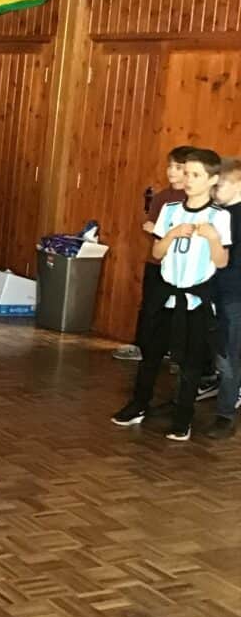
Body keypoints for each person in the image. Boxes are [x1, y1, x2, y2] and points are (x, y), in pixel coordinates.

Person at [111, 148, 232, 442]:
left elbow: (221, 262)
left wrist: (213, 240)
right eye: (186, 173)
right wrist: (170, 235)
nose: (188, 180)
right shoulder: (171, 210)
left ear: (211, 180)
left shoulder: (219, 217)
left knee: (191, 361)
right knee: (151, 354)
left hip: (195, 299)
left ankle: (183, 418)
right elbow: (157, 252)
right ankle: (138, 404)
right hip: (166, 294)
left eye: (196, 175)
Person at [113, 146, 194, 361]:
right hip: (157, 262)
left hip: (182, 266)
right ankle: (143, 347)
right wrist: (157, 230)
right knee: (150, 306)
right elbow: (152, 227)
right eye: (170, 166)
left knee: (180, 310)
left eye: (178, 167)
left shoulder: (194, 198)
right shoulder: (162, 197)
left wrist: (160, 230)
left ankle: (173, 351)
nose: (172, 171)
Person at [207, 156, 241, 439]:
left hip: (234, 293)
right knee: (221, 350)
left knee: (229, 353)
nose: (215, 190)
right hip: (216, 289)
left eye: (221, 185)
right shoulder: (218, 214)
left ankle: (225, 413)